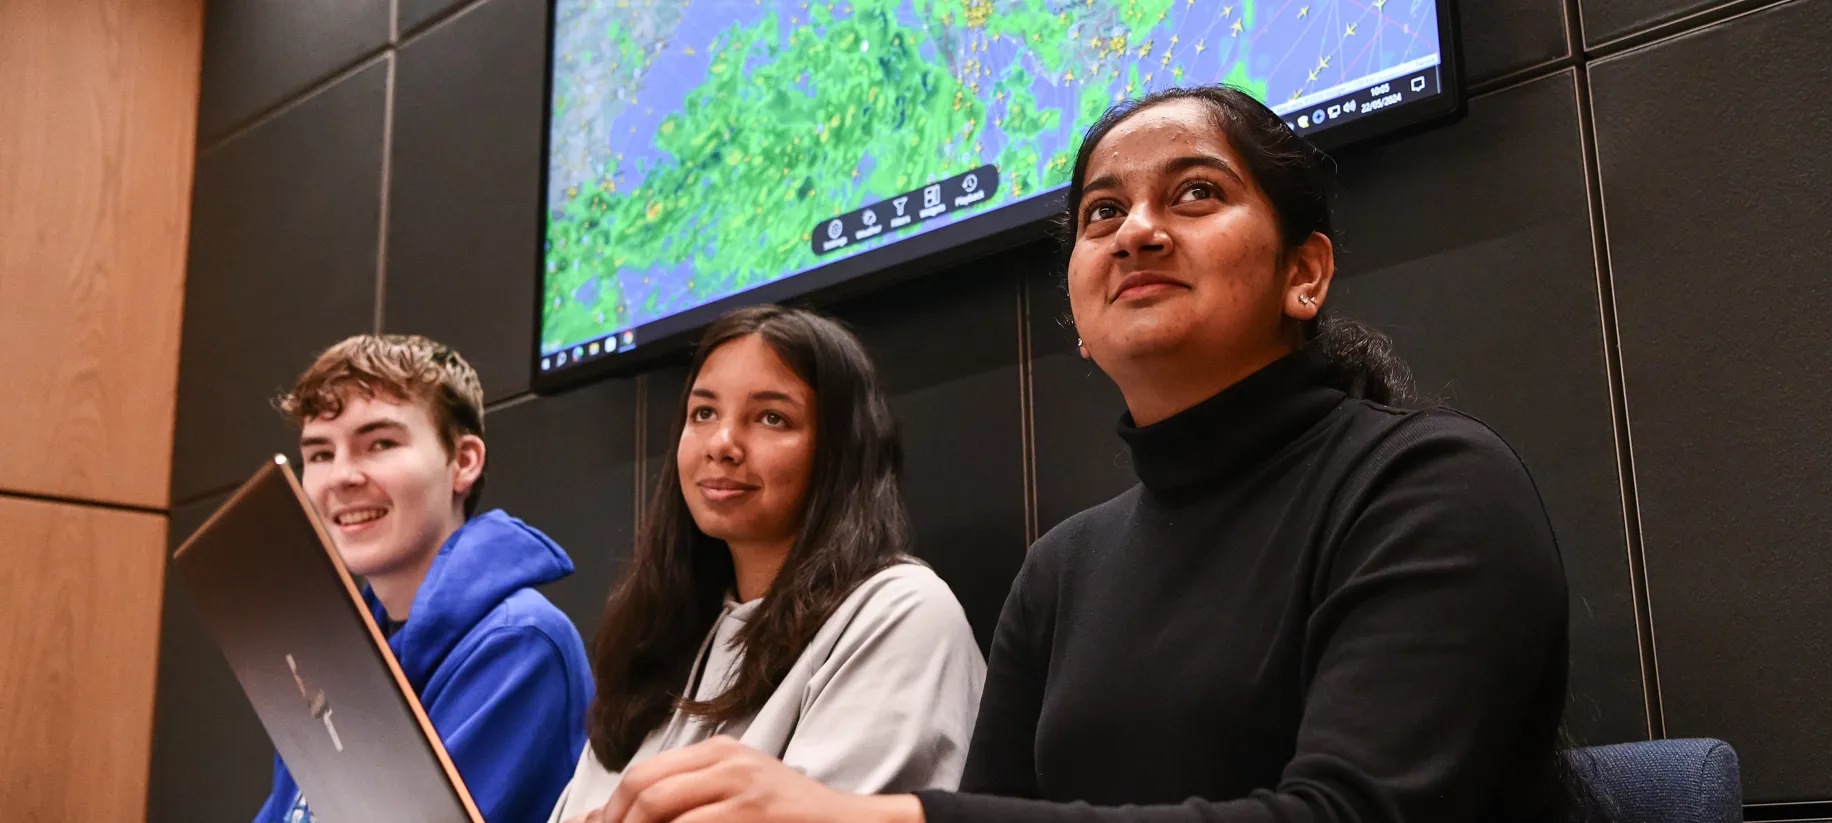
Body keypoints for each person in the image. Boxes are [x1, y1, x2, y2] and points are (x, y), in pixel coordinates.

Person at [580, 85, 1579, 823]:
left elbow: (1348, 817)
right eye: (1103, 212)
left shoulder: (1431, 485)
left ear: (1304, 273)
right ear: (1078, 310)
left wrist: (878, 815)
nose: (1137, 230)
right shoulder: (1065, 568)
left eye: (1193, 194)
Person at [547, 306, 986, 822]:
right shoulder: (660, 639)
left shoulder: (902, 613)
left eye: (771, 417)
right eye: (703, 413)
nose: (722, 444)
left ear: (840, 450)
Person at [258, 335, 593, 823]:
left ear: (463, 462)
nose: (342, 477)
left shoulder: (520, 644)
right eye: (321, 455)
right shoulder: (333, 657)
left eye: (380, 444)